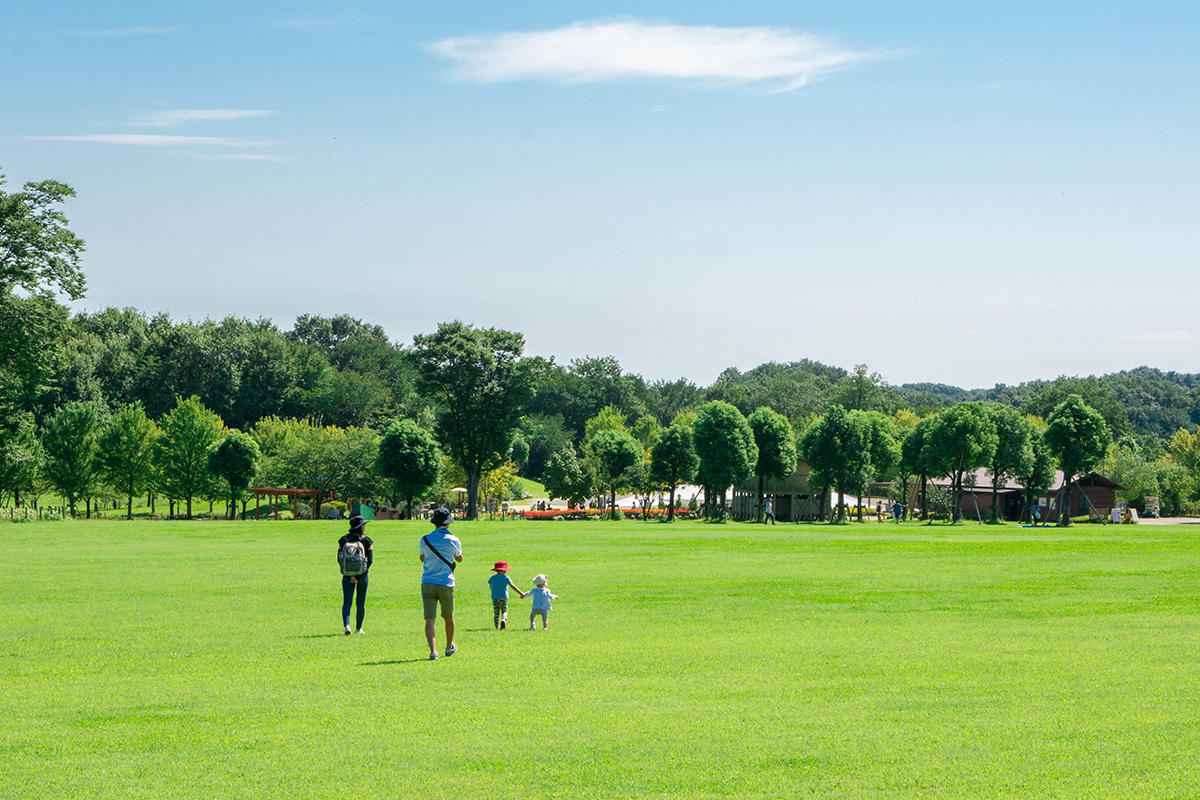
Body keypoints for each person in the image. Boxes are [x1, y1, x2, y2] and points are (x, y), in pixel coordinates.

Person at [419, 507, 462, 660]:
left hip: (428, 581)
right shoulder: (454, 539)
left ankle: (433, 651)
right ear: (448, 523)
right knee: (448, 617)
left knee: (430, 619)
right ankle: (449, 646)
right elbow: (459, 558)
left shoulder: (424, 539)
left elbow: (422, 558)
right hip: (446, 582)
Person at [337, 514, 373, 635]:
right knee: (360, 602)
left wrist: (349, 574)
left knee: (347, 601)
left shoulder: (343, 540)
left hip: (347, 574)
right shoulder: (367, 540)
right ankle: (358, 628)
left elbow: (339, 558)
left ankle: (347, 625)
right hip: (363, 575)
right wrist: (359, 575)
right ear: (361, 527)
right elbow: (370, 560)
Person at [488, 560, 526, 629]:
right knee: (504, 610)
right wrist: (521, 593)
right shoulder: (506, 578)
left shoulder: (492, 578)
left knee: (496, 612)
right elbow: (512, 586)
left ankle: (497, 627)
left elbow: (490, 587)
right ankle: (503, 619)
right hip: (503, 597)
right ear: (504, 570)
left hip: (494, 597)